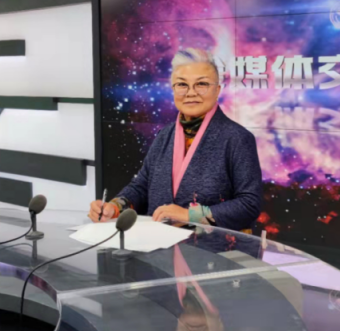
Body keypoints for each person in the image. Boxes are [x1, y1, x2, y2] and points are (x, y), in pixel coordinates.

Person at [89, 48, 263, 231]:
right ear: (173, 89)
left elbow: (249, 204)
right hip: (158, 243)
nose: (191, 93)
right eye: (182, 85)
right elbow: (141, 187)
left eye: (201, 84)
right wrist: (114, 207)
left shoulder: (237, 138)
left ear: (217, 90)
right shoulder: (164, 135)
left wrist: (190, 216)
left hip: (212, 247)